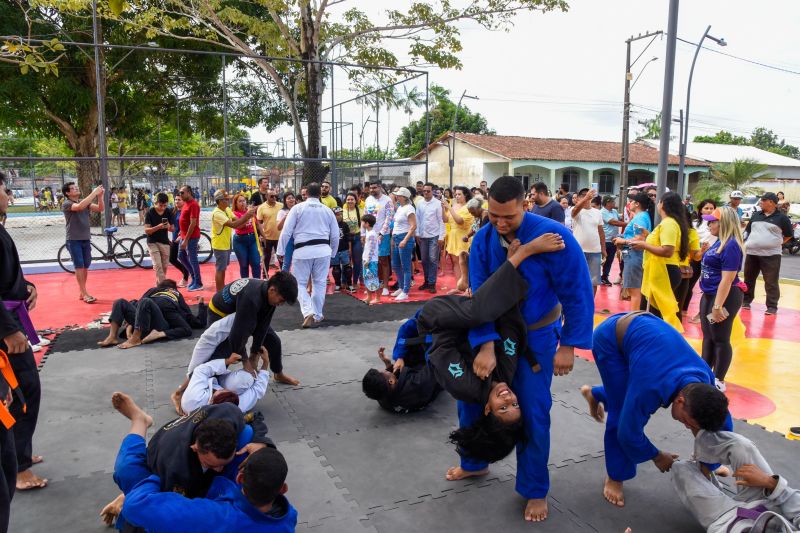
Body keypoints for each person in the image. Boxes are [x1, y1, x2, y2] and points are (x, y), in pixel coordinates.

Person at [457, 176, 594, 522]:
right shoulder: (483, 241)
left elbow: (577, 292)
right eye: (494, 216)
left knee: (532, 412)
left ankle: (534, 488)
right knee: (471, 399)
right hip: (493, 332)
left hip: (536, 337)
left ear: (525, 205)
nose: (501, 224)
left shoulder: (555, 237)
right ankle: (474, 462)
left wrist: (569, 345)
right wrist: (485, 346)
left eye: (509, 217)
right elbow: (481, 299)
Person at [580, 311, 733, 508]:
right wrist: (657, 456)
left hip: (650, 340)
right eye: (687, 423)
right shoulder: (650, 387)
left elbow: (722, 424)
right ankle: (615, 477)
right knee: (620, 412)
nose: (687, 427)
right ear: (679, 401)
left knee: (628, 395)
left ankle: (597, 394)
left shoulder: (704, 379)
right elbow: (628, 433)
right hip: (611, 340)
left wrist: (708, 464)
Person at [107, 393, 296, 531]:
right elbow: (255, 421)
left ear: (240, 478)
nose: (220, 470)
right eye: (213, 465)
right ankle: (140, 421)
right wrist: (262, 443)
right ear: (283, 489)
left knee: (129, 475)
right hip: (160, 461)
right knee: (128, 468)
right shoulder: (288, 518)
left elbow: (138, 507)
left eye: (224, 463)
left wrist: (131, 495)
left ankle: (139, 421)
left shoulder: (209, 516)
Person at [0, 172, 46, 502]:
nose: (8, 195)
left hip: (11, 317)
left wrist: (27, 287)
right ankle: (18, 467)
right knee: (22, 390)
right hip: (5, 327)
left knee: (24, 389)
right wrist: (8, 329)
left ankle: (22, 454)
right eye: (4, 190)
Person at [672, 429, 800, 532]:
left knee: (680, 468)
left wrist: (657, 456)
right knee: (741, 446)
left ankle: (707, 476)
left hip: (728, 522)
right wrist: (769, 482)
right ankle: (708, 465)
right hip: (768, 504)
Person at [276, 183, 338, 328]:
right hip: (323, 250)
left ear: (306, 194)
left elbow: (286, 232)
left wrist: (280, 251)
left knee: (299, 284)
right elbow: (335, 235)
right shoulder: (327, 210)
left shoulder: (298, 208)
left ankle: (308, 311)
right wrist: (333, 253)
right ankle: (317, 314)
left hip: (303, 250)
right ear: (319, 194)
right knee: (319, 283)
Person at [698, 207, 745, 393]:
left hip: (724, 297)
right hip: (709, 295)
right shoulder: (717, 243)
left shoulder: (731, 245)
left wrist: (717, 306)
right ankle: (704, 373)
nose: (709, 224)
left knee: (720, 338)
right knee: (708, 336)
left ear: (723, 223)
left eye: (713, 221)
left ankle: (719, 379)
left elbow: (727, 279)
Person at [630, 191, 688, 329]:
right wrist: (648, 236)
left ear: (663, 204)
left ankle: (659, 343)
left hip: (664, 271)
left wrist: (644, 244)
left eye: (659, 200)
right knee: (656, 311)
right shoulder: (669, 223)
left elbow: (667, 250)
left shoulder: (668, 223)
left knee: (654, 314)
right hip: (661, 270)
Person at [100, 280, 207, 348]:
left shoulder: (166, 292)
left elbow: (138, 305)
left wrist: (130, 326)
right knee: (121, 302)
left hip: (158, 324)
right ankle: (112, 337)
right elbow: (197, 321)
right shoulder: (173, 293)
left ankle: (135, 338)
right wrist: (201, 304)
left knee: (136, 302)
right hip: (149, 323)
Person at [742, 192, 794, 315]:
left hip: (771, 255)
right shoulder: (755, 215)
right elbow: (748, 231)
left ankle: (772, 306)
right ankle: (746, 301)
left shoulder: (782, 218)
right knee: (748, 279)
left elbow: (788, 235)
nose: (760, 203)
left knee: (771, 281)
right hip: (752, 253)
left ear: (771, 202)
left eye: (762, 201)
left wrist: (775, 243)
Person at [181, 345, 270, 415]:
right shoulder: (237, 407)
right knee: (246, 379)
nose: (227, 390)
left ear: (211, 399)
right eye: (228, 392)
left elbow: (200, 370)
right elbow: (257, 391)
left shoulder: (194, 397)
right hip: (213, 391)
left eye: (223, 391)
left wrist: (227, 361)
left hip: (205, 384)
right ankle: (253, 366)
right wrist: (266, 363)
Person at [61, 182, 104, 303]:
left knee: (85, 266)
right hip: (73, 239)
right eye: (73, 188)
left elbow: (100, 208)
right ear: (67, 193)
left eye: (76, 187)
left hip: (85, 238)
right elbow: (79, 206)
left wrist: (100, 197)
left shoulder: (85, 203)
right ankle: (84, 293)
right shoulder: (67, 203)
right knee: (79, 266)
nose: (76, 189)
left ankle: (82, 291)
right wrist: (94, 193)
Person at [612, 193, 653, 312]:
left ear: (637, 204)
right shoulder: (641, 216)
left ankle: (633, 317)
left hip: (634, 255)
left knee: (634, 289)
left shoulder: (640, 218)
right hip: (633, 254)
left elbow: (640, 238)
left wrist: (622, 240)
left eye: (631, 201)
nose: (629, 203)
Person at [211, 190, 256, 293]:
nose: (228, 201)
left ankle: (221, 289)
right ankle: (219, 292)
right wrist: (247, 216)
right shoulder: (217, 213)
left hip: (226, 243)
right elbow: (234, 225)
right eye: (226, 199)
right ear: (220, 201)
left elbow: (237, 221)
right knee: (220, 269)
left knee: (223, 269)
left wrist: (246, 217)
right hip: (219, 245)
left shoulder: (226, 209)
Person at [685, 199, 718, 323]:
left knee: (709, 287)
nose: (709, 210)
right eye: (706, 208)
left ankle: (704, 315)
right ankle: (684, 310)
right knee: (690, 283)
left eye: (711, 208)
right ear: (700, 210)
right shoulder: (694, 224)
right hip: (697, 256)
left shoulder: (718, 226)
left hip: (711, 258)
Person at [571, 188, 605, 296]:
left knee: (593, 281)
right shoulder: (576, 211)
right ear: (578, 198)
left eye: (589, 195)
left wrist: (603, 249)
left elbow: (601, 232)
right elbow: (574, 212)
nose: (587, 197)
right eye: (583, 195)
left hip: (595, 251)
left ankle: (590, 305)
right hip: (579, 251)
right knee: (577, 279)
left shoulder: (597, 213)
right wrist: (586, 198)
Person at [363, 182, 394, 297]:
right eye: (371, 187)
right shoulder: (368, 200)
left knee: (383, 260)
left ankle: (385, 286)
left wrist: (381, 233)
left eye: (374, 187)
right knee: (370, 261)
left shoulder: (387, 200)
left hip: (383, 235)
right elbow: (365, 217)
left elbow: (389, 217)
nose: (372, 189)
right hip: (370, 235)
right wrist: (363, 233)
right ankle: (372, 285)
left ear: (380, 188)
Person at [415, 183, 447, 294]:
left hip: (435, 236)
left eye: (428, 191)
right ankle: (426, 281)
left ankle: (432, 283)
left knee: (433, 260)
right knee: (424, 260)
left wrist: (441, 236)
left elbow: (442, 221)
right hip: (423, 236)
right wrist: (417, 233)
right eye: (424, 191)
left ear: (432, 191)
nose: (426, 193)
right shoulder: (419, 204)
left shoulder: (438, 204)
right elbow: (417, 219)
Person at [674, 207, 702, 322]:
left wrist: (702, 251)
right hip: (677, 271)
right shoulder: (668, 228)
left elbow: (696, 256)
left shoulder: (690, 232)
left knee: (675, 309)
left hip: (680, 271)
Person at [445, 186, 474, 294]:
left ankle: (468, 287)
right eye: (455, 194)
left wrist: (449, 208)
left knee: (464, 263)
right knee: (455, 262)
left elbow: (459, 221)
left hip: (463, 237)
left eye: (459, 194)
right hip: (452, 237)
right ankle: (459, 286)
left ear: (465, 195)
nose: (456, 196)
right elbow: (446, 219)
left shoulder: (468, 207)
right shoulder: (454, 206)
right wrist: (444, 210)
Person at [390, 188, 417, 301]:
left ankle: (405, 291)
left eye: (398, 195)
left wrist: (405, 240)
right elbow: (396, 225)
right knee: (395, 265)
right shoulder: (400, 208)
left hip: (404, 238)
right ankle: (401, 287)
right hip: (397, 238)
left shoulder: (409, 208)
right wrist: (393, 239)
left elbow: (413, 226)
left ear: (404, 197)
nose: (396, 197)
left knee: (406, 267)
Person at [144, 192, 175, 284]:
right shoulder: (150, 212)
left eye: (165, 205)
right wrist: (158, 226)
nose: (163, 208)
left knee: (164, 266)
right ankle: (163, 287)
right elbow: (146, 230)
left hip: (164, 241)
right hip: (152, 242)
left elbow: (172, 229)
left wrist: (168, 226)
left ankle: (159, 285)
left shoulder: (168, 211)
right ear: (156, 203)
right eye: (161, 205)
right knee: (158, 265)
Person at [230, 193, 262, 280]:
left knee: (256, 262)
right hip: (240, 240)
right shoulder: (234, 213)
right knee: (244, 265)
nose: (242, 203)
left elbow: (257, 223)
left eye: (244, 201)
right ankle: (245, 284)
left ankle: (257, 283)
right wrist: (247, 216)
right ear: (235, 203)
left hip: (252, 239)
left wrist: (264, 236)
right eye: (240, 201)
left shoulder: (249, 211)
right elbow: (239, 226)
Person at [178, 185, 203, 291]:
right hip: (184, 236)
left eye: (182, 192)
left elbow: (193, 224)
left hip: (191, 237)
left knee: (193, 259)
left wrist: (186, 240)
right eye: (179, 192)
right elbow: (185, 220)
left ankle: (198, 283)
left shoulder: (194, 205)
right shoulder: (185, 204)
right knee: (181, 256)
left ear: (189, 192)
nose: (180, 195)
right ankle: (194, 278)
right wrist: (181, 233)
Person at [256, 188, 283, 276]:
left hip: (280, 237)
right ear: (266, 196)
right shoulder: (261, 208)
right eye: (272, 196)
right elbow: (259, 223)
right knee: (266, 258)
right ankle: (265, 276)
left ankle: (283, 275)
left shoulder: (281, 205)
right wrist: (262, 236)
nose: (274, 198)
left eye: (275, 196)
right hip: (267, 238)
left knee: (281, 258)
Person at [600, 196, 626, 286]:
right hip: (605, 240)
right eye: (613, 201)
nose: (614, 202)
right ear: (607, 203)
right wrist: (628, 224)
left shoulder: (614, 211)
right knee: (602, 259)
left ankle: (604, 277)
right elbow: (614, 222)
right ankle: (596, 276)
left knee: (610, 259)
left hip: (613, 240)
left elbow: (620, 218)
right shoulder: (603, 212)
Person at [169, 196, 191, 287]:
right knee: (172, 259)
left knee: (182, 258)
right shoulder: (173, 211)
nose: (177, 201)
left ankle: (186, 277)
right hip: (174, 238)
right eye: (176, 199)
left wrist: (181, 236)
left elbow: (188, 225)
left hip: (182, 238)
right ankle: (187, 272)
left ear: (183, 201)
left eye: (179, 200)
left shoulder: (185, 211)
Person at [330, 207, 353, 292]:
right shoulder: (330, 225)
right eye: (337, 214)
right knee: (336, 269)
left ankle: (349, 284)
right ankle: (337, 284)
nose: (339, 216)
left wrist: (350, 248)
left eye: (340, 214)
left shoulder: (345, 225)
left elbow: (348, 237)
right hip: (334, 250)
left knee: (347, 268)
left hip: (344, 248)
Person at [342, 192, 362, 288]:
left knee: (357, 260)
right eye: (348, 199)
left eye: (352, 199)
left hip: (357, 238)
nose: (350, 201)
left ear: (356, 201)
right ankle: (344, 281)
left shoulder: (361, 211)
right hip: (345, 239)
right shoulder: (343, 211)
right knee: (345, 260)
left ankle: (355, 282)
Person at [361, 214, 381, 305]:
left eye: (363, 222)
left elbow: (372, 248)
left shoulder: (372, 234)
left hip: (371, 260)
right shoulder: (369, 232)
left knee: (373, 278)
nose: (361, 223)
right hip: (366, 259)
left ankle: (377, 298)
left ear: (367, 223)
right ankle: (369, 297)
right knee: (367, 278)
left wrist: (368, 260)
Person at [276, 192, 296, 272]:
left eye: (292, 197)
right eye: (288, 198)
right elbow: (278, 227)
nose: (291, 199)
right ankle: (284, 282)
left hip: (299, 238)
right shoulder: (282, 212)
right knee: (287, 263)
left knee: (298, 262)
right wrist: (285, 217)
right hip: (288, 239)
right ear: (285, 201)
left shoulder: (298, 209)